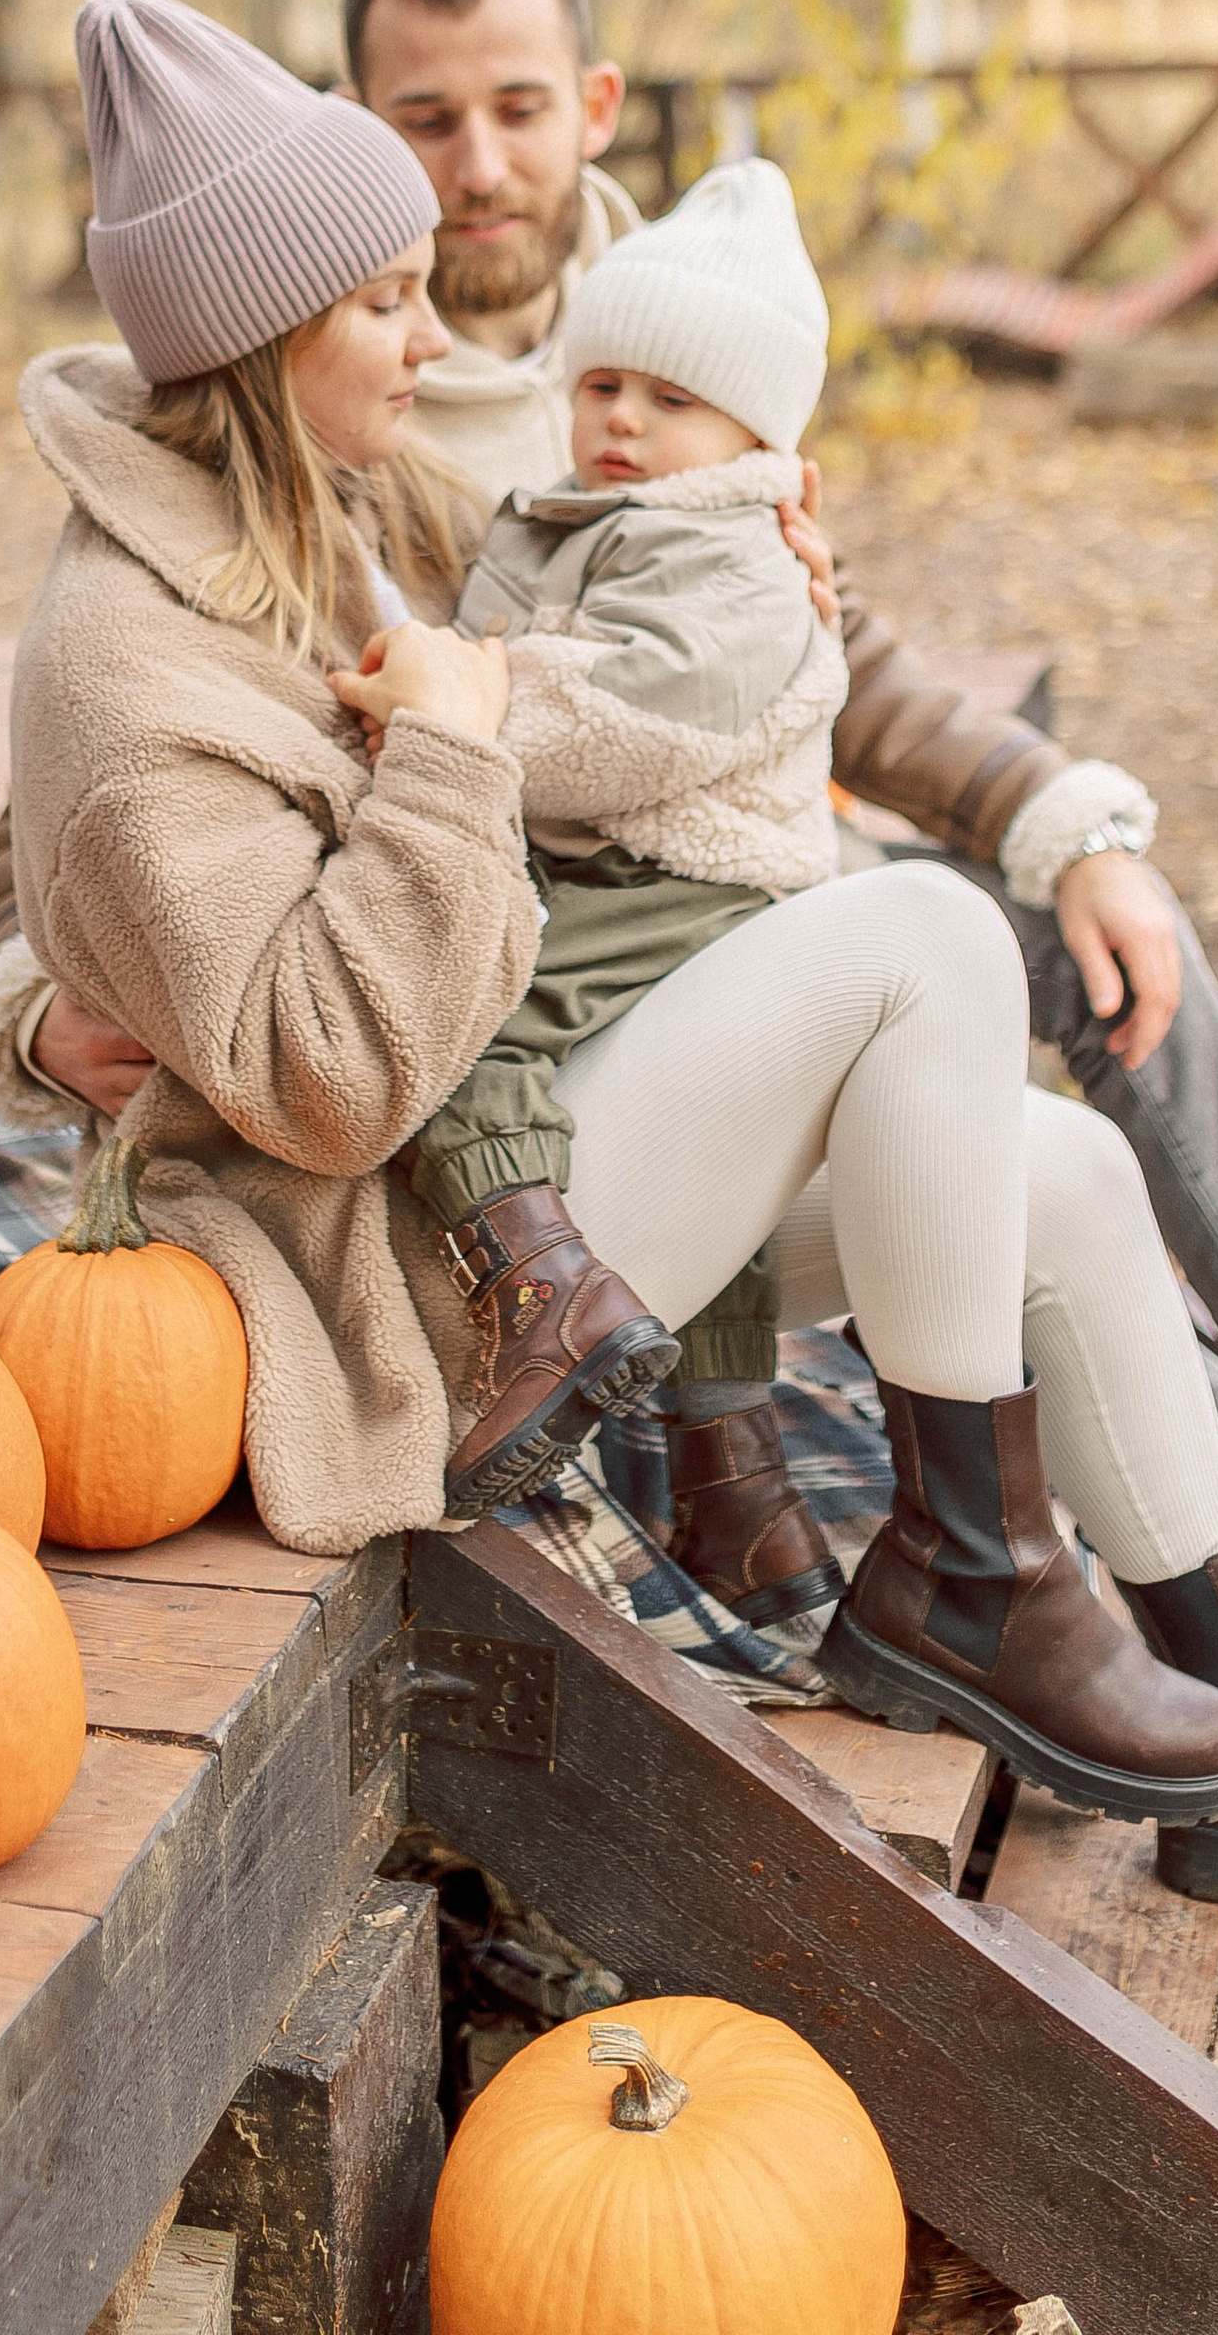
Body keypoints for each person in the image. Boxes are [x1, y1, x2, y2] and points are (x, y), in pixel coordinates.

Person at [0, 0, 1218, 1922]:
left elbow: (662, 584)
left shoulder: (338, 492)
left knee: (1061, 1168)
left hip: (502, 1137)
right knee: (915, 933)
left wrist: (779, 576)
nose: (439, 332)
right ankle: (974, 1580)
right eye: (388, 300)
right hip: (396, 1276)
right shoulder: (124, 664)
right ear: (263, 335)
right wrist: (63, 996)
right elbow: (307, 1070)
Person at [410, 157, 847, 1537]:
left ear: (754, 432)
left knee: (463, 1003)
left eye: (672, 400)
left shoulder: (739, 551)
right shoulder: (591, 515)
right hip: (630, 857)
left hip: (693, 871)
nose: (624, 420)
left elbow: (626, 721)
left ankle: (544, 1296)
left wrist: (459, 702)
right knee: (719, 1149)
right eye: (603, 385)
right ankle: (735, 1474)